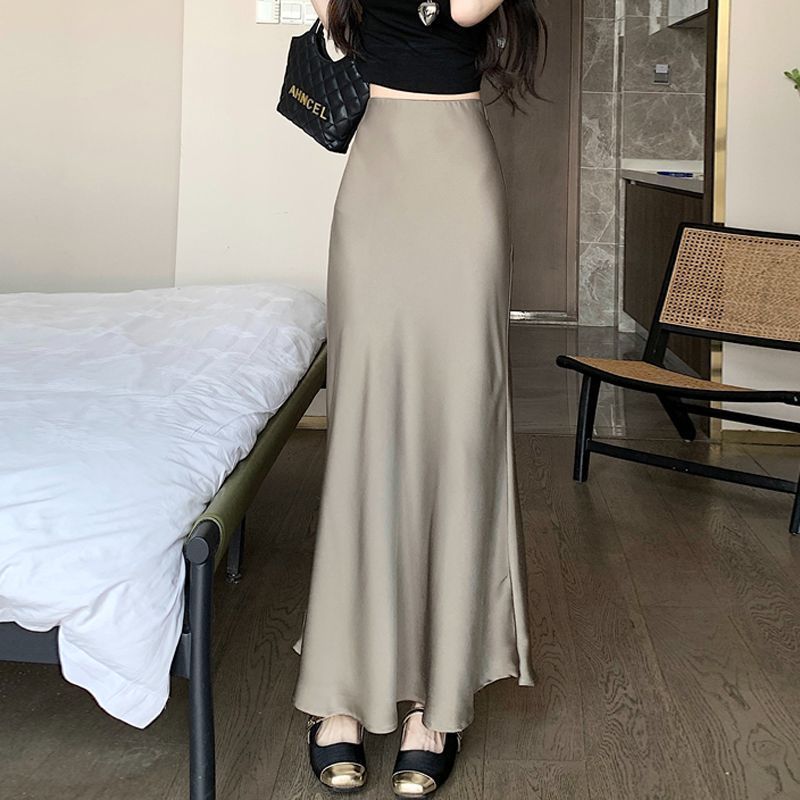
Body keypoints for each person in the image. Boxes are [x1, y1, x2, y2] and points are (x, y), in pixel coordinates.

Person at [292, 0, 546, 794]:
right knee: (365, 422)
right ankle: (339, 682)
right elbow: (332, 20)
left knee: (459, 422)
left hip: (457, 170)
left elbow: (464, 6)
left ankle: (437, 698)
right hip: (377, 170)